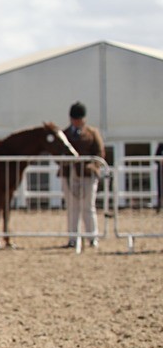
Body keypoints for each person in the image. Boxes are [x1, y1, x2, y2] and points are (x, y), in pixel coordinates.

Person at [60, 101, 105, 247]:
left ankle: (92, 237)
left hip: (88, 175)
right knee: (72, 207)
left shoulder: (92, 133)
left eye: (79, 118)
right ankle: (73, 238)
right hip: (69, 174)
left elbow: (99, 153)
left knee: (88, 206)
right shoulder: (64, 134)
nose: (77, 121)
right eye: (74, 118)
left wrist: (91, 166)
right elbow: (58, 153)